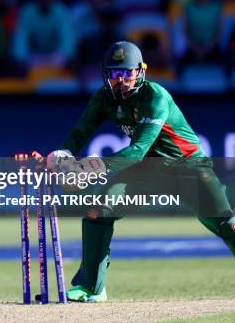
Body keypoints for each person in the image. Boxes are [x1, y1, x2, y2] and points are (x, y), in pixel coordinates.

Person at [43, 41, 235, 302]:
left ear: (140, 72)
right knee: (97, 212)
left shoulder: (155, 97)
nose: (120, 80)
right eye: (114, 74)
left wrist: (93, 168)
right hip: (146, 172)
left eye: (126, 73)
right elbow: (80, 133)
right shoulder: (103, 98)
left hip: (187, 167)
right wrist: (62, 156)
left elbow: (137, 150)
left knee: (225, 224)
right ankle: (91, 287)